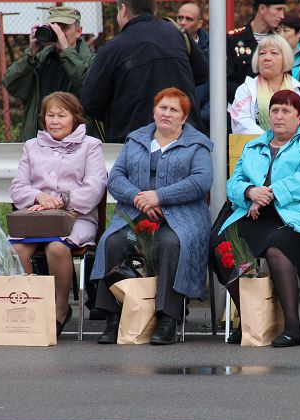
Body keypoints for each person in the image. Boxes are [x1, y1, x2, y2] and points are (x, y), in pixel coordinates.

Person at [90, 88, 212, 345]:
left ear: (184, 117)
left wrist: (159, 196)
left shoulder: (198, 144)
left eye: (174, 110)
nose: (166, 113)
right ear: (154, 111)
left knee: (171, 243)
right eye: (162, 108)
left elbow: (201, 181)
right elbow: (116, 178)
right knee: (112, 242)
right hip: (136, 214)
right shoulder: (135, 140)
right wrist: (139, 198)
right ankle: (113, 317)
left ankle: (168, 318)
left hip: (181, 217)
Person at [212, 89, 300, 347]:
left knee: (278, 248)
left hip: (298, 218)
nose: (279, 115)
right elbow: (234, 182)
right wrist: (250, 192)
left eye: (286, 110)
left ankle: (293, 327)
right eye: (275, 110)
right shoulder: (253, 145)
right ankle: (250, 319)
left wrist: (270, 193)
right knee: (223, 246)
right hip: (255, 214)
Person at [9, 92, 107, 337]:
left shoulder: (90, 145)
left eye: (61, 115)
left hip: (77, 217)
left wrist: (61, 201)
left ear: (75, 117)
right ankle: (33, 306)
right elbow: (18, 187)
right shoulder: (32, 146)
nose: (55, 121)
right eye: (50, 115)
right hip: (37, 216)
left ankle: (61, 307)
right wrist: (39, 197)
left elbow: (95, 186)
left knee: (56, 247)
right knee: (17, 250)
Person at [81, 0, 208, 143]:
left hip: (134, 141)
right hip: (184, 136)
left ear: (123, 10)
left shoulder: (112, 49)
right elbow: (202, 74)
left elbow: (90, 102)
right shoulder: (178, 34)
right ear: (154, 10)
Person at [2, 6, 94, 142]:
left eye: (64, 28)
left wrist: (66, 51)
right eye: (55, 28)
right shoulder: (39, 59)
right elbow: (10, 83)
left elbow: (88, 85)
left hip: (78, 144)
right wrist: (31, 54)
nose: (59, 33)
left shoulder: (92, 61)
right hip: (39, 141)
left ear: (78, 31)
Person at [229, 34, 300, 134]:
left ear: (285, 58)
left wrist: (288, 142)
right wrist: (269, 141)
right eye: (262, 53)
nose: (266, 58)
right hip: (257, 143)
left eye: (274, 53)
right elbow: (241, 123)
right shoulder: (246, 89)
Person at [226, 0, 286, 103]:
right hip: (240, 106)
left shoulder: (280, 42)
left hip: (275, 107)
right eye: (278, 9)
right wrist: (252, 98)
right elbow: (225, 81)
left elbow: (286, 78)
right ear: (262, 9)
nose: (282, 16)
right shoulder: (233, 39)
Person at [177, 2, 210, 131]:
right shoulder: (167, 46)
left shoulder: (213, 48)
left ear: (199, 23)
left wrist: (200, 117)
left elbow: (217, 89)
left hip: (202, 122)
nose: (182, 22)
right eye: (180, 18)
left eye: (189, 19)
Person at [276, 12, 300, 80]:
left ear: (299, 33)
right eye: (278, 31)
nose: (281, 35)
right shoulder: (272, 52)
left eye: (285, 30)